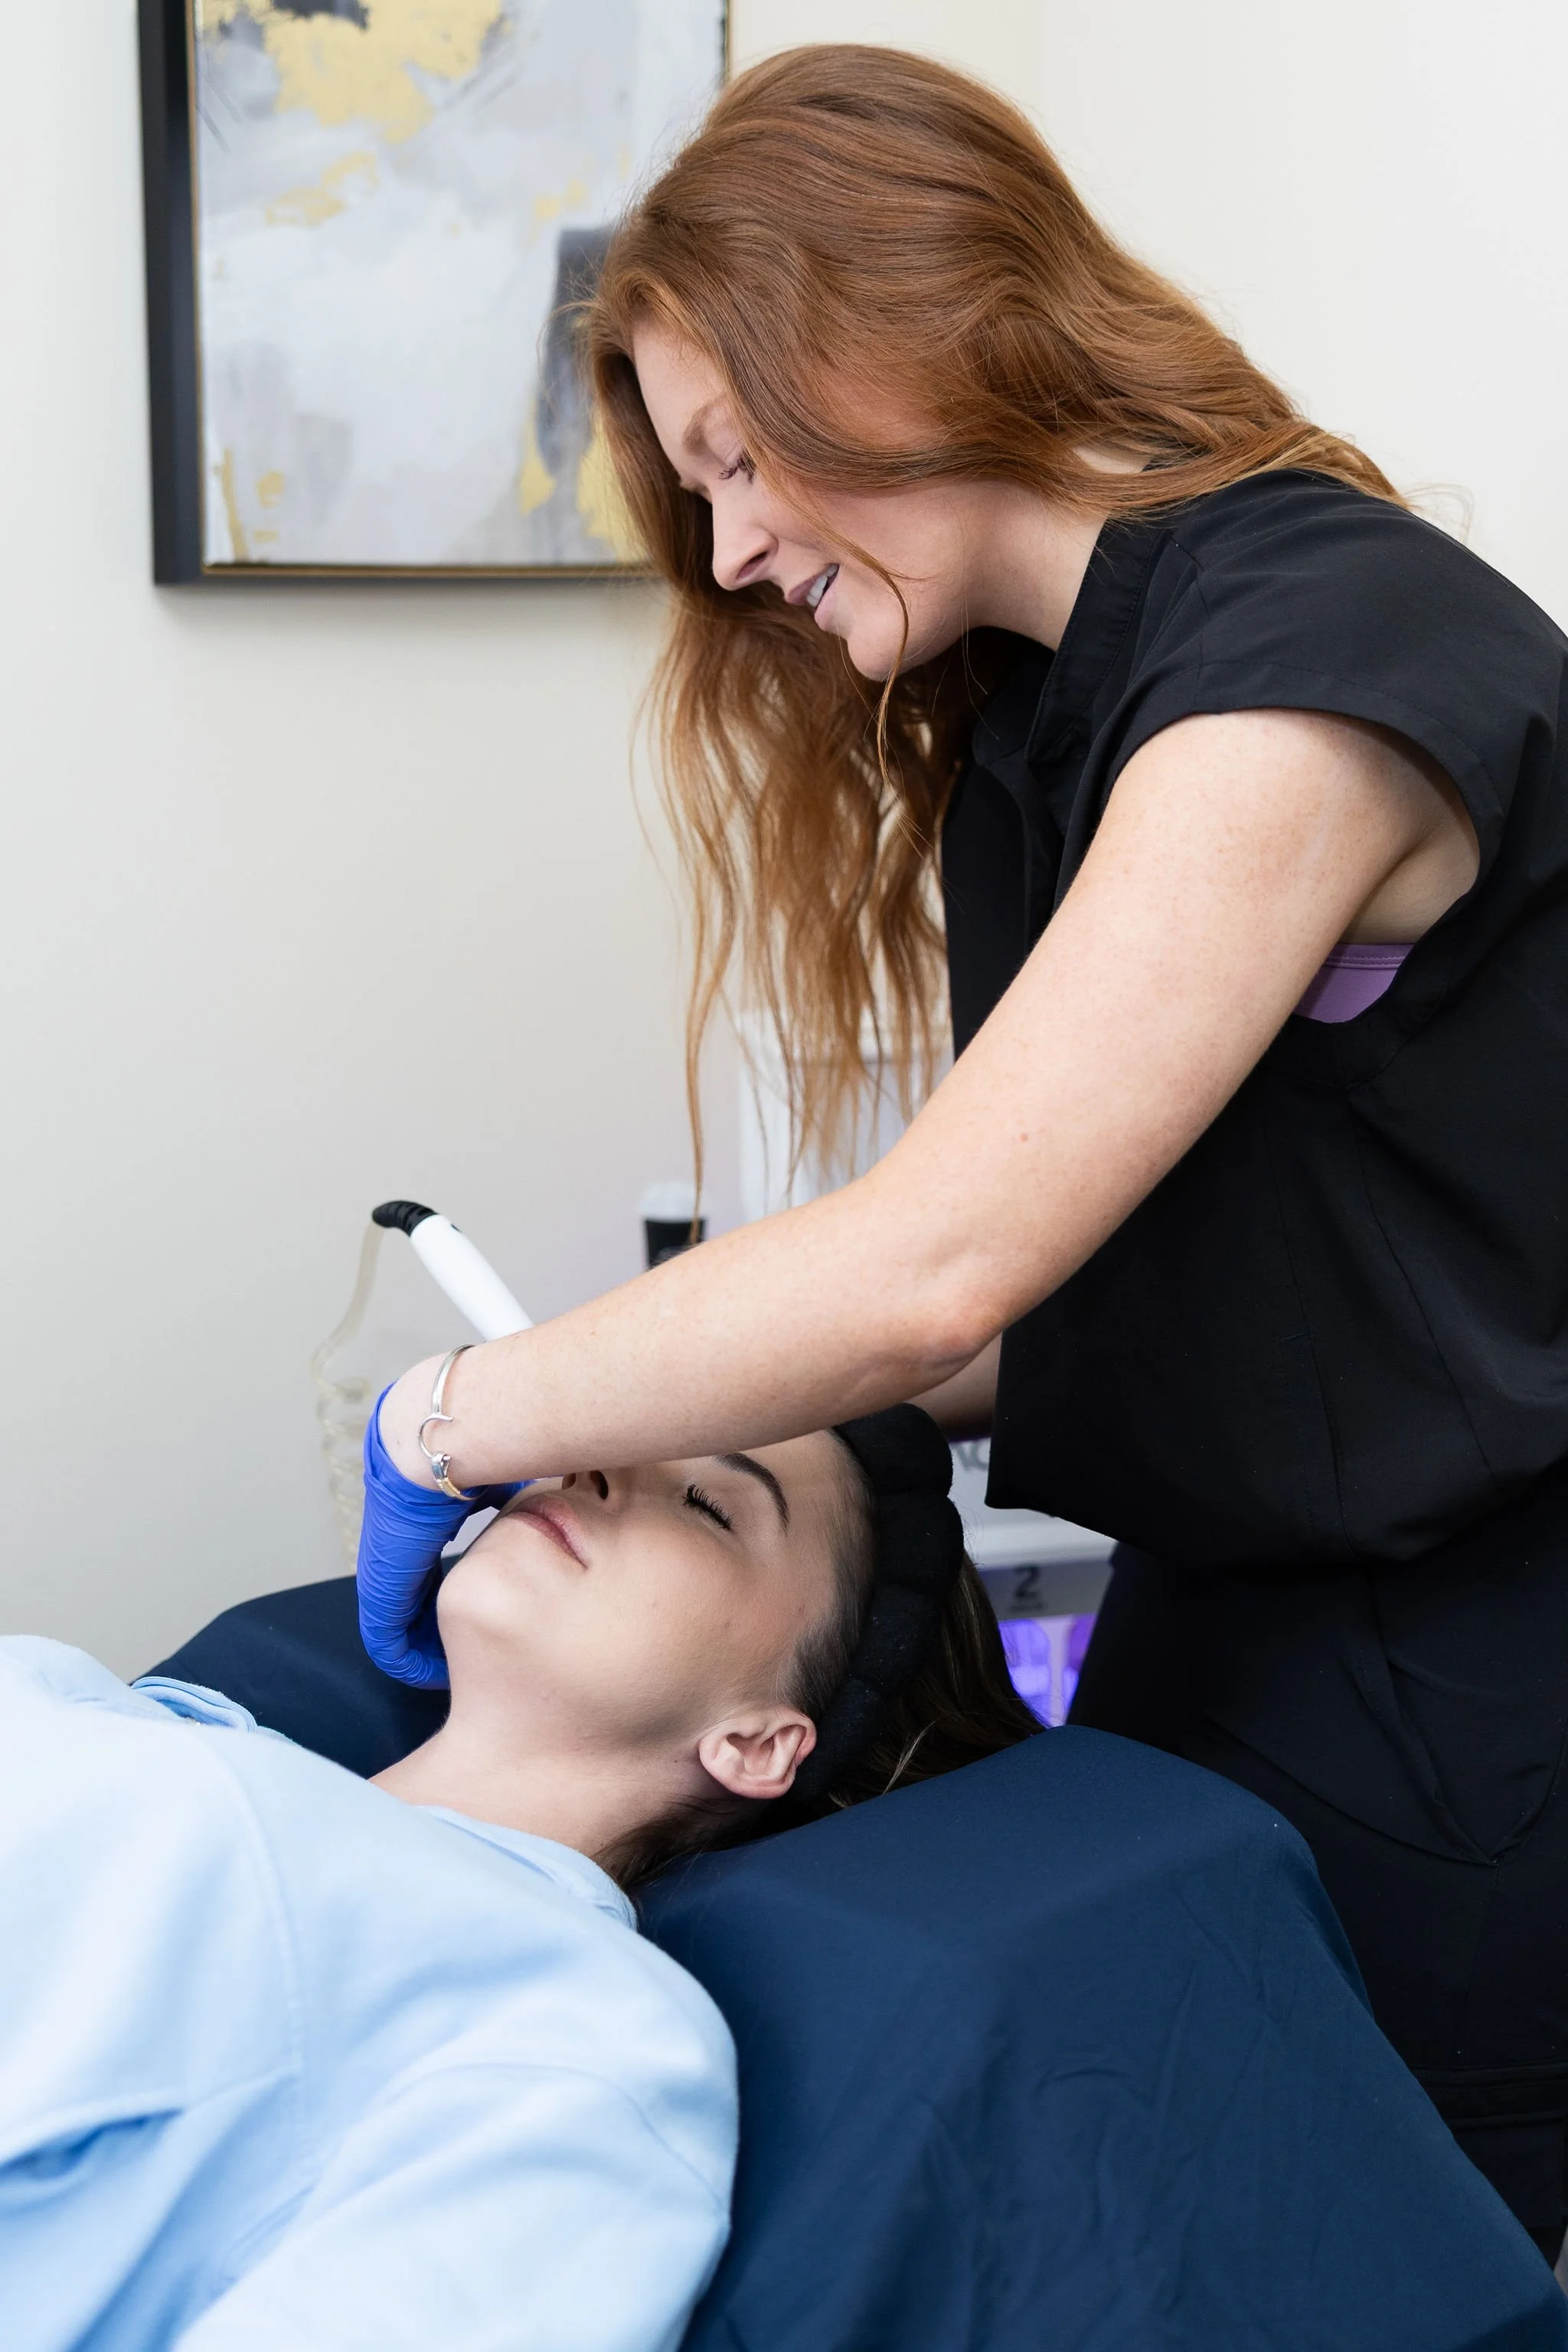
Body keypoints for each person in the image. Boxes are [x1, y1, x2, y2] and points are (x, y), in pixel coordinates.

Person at [356, 45, 1568, 2256]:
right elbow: (1123, 1284)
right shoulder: (1038, 725)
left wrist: (460, 1415)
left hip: (1477, 1694)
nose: (726, 554)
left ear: (895, 333)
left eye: (736, 462)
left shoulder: (1308, 670)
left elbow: (947, 1270)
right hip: (1222, 1652)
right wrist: (686, 1393)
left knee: (1380, 2261)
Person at [3, 1410, 1037, 2352]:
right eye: (618, 1437)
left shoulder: (582, 2036)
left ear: (759, 1741)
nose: (594, 1470)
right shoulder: (102, 1705)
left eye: (708, 1505)